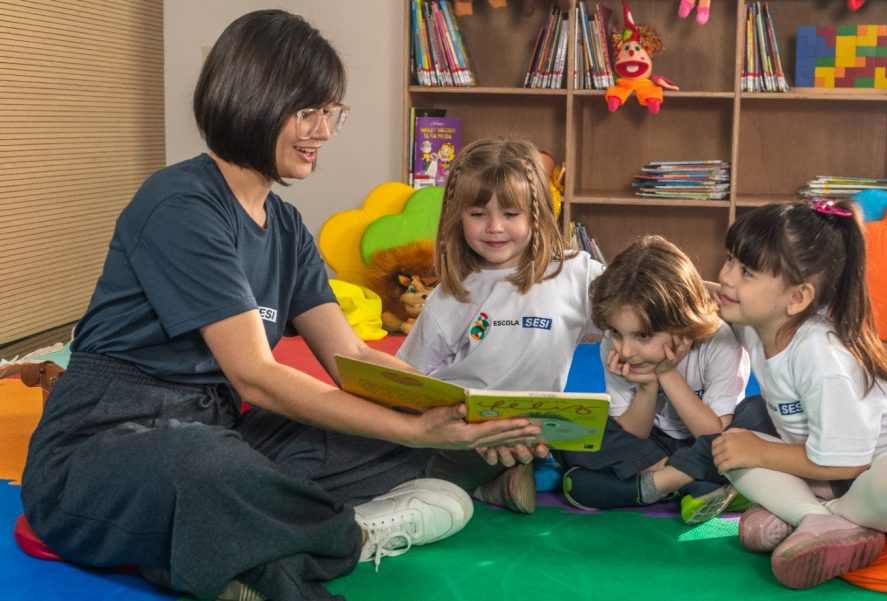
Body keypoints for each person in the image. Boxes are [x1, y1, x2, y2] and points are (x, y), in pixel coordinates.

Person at [20, 11, 540, 601]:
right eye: (307, 112)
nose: (323, 130)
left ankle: (249, 545)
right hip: (104, 444)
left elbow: (351, 361)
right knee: (209, 468)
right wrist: (422, 434)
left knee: (357, 436)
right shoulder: (179, 203)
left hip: (217, 427)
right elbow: (257, 377)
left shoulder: (287, 226)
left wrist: (466, 414)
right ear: (253, 99)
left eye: (330, 113)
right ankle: (348, 534)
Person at [710, 200, 887, 589]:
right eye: (731, 260)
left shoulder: (822, 356)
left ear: (798, 298)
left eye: (747, 272)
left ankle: (813, 515)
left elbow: (846, 465)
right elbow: (697, 297)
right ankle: (815, 518)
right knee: (731, 446)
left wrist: (762, 453)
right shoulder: (759, 320)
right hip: (841, 474)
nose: (727, 278)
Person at [397, 136, 606, 514]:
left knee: (606, 445)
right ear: (457, 217)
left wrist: (703, 295)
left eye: (511, 214)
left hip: (532, 431)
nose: (494, 227)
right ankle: (492, 486)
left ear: (538, 212)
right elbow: (407, 377)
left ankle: (497, 480)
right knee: (414, 470)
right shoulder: (452, 294)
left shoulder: (574, 273)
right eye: (478, 214)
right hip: (463, 431)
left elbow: (637, 302)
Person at [552, 235, 752, 514]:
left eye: (642, 336)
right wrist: (647, 388)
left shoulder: (719, 341)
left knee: (750, 422)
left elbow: (712, 432)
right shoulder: (614, 346)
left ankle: (652, 486)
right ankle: (689, 481)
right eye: (617, 333)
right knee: (572, 435)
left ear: (682, 323)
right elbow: (632, 433)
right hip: (651, 444)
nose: (626, 350)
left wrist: (668, 373)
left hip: (702, 441)